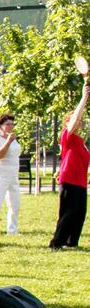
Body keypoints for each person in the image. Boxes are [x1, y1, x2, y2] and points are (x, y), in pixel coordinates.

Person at [51, 76, 89, 248]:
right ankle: (56, 243)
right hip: (69, 180)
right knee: (68, 212)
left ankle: (71, 242)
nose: (78, 119)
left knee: (80, 213)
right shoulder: (68, 137)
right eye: (74, 118)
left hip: (80, 182)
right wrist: (84, 98)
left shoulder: (81, 142)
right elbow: (74, 121)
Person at [0, 114, 23, 238]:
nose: (10, 126)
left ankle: (12, 231)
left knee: (15, 204)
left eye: (12, 124)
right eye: (7, 124)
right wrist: (8, 141)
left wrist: (10, 140)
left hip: (13, 174)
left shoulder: (12, 138)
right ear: (0, 126)